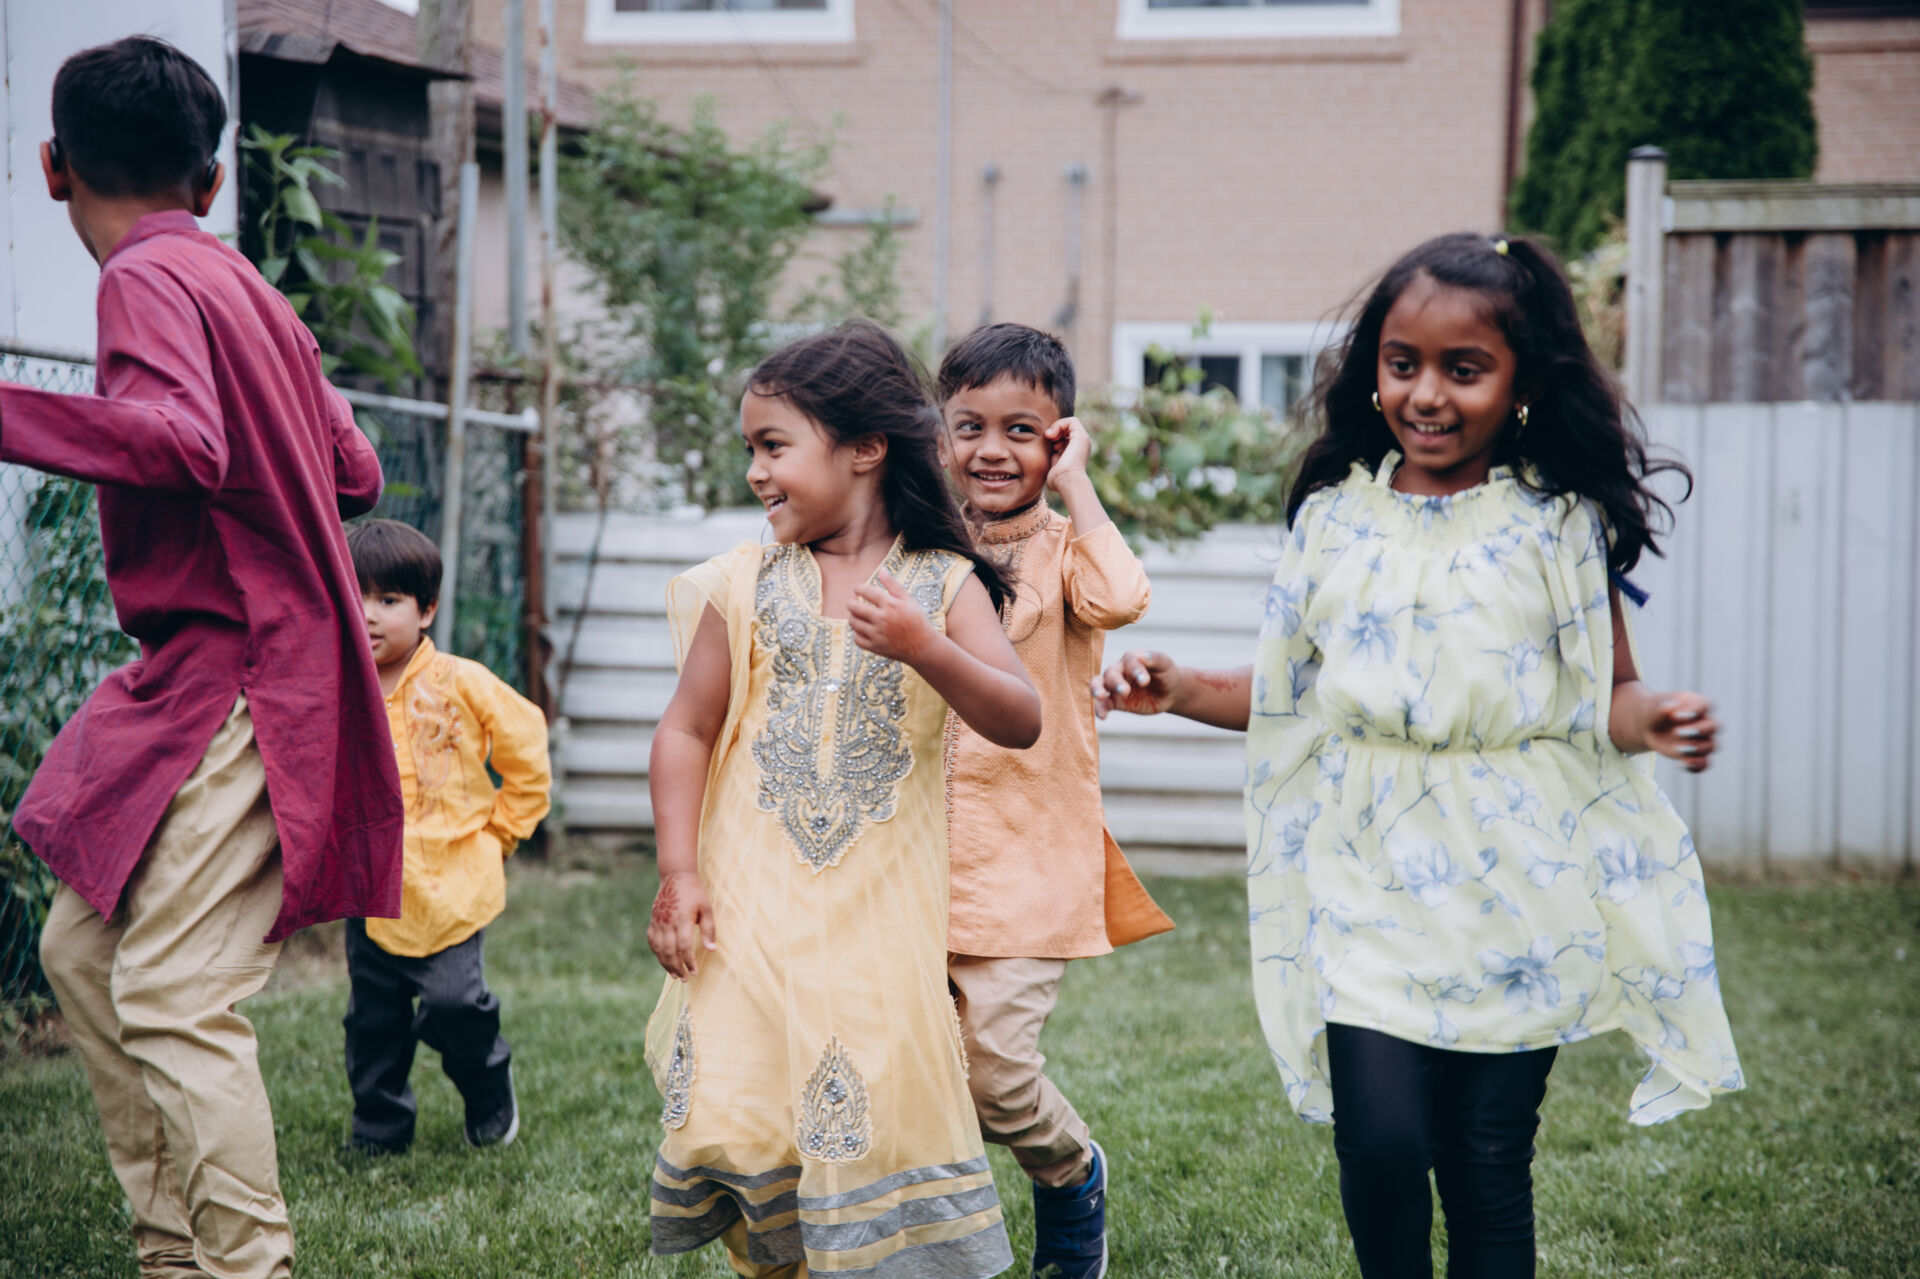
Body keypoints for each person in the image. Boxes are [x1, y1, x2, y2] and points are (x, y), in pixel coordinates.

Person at [1091, 233, 1744, 1279]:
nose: (1427, 394)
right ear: (1374, 370)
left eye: (1464, 368)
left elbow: (1606, 695)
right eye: (1404, 364)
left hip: (1517, 878)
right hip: (1369, 873)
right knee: (1383, 1142)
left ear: (1524, 385)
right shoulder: (1335, 519)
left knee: (1486, 1159)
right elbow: (1293, 692)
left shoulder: (1556, 525)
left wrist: (1653, 716)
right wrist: (1179, 690)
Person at [4, 36, 403, 1279]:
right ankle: (172, 1247)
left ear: (54, 167)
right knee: (80, 951)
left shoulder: (142, 277)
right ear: (214, 178)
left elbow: (181, 441)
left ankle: (245, 1265)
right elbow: (355, 472)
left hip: (251, 671)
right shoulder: (248, 288)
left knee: (173, 991)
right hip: (201, 671)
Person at [643, 320, 1040, 1278]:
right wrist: (679, 872)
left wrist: (925, 647)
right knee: (740, 1119)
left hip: (874, 927)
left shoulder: (941, 585)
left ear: (865, 448)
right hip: (748, 918)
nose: (755, 472)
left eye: (773, 446)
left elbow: (1020, 717)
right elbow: (685, 729)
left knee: (866, 1123)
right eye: (751, 449)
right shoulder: (744, 583)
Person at [936, 322, 1173, 1279]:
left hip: (1029, 858)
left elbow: (1122, 597)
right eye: (970, 426)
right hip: (915, 855)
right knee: (912, 1066)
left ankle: (1071, 1171)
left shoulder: (1068, 551)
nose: (992, 449)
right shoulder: (922, 542)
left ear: (1059, 438)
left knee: (995, 1073)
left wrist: (1078, 485)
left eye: (1023, 431)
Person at [341, 519, 550, 1155]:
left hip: (453, 883)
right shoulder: (339, 688)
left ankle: (487, 1087)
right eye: (354, 596)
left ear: (427, 609)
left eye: (388, 600)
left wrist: (501, 836)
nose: (368, 615)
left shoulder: (461, 683)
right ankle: (379, 1127)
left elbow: (527, 753)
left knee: (455, 1003)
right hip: (372, 887)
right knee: (373, 1019)